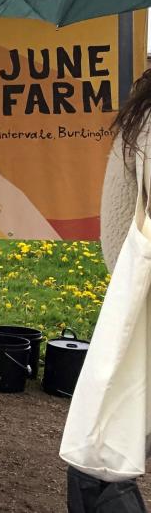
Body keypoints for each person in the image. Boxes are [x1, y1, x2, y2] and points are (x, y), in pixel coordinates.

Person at [64, 71, 151, 512]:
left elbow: (118, 231)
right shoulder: (143, 121)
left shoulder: (142, 118)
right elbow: (118, 227)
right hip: (143, 305)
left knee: (98, 453)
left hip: (143, 306)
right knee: (97, 455)